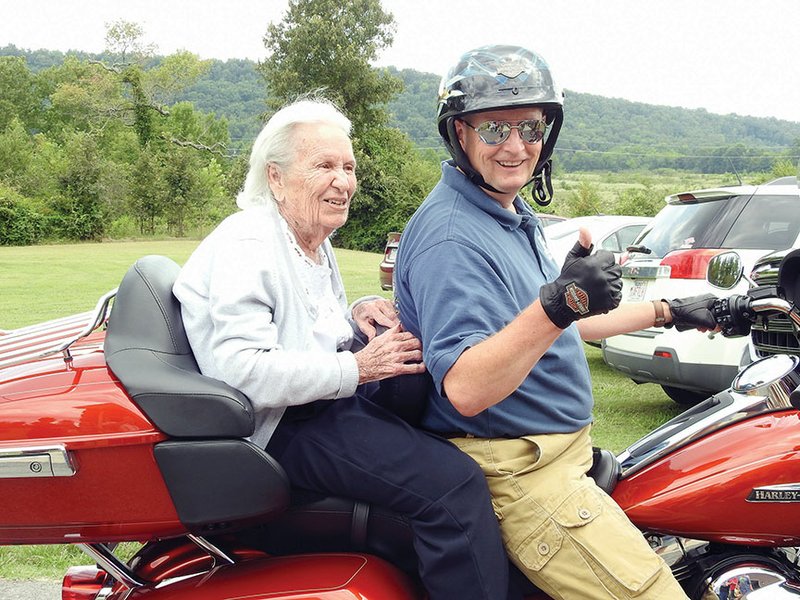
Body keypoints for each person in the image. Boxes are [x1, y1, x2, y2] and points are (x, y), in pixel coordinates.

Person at [394, 45, 719, 599]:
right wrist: (559, 304)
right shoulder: (453, 237)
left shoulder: (506, 215)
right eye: (496, 128)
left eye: (531, 126)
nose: (516, 146)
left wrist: (674, 312)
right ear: (460, 133)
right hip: (526, 473)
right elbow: (467, 387)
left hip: (562, 454)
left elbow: (567, 331)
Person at [173, 96, 513, 600]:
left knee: (417, 373)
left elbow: (303, 318)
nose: (343, 181)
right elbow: (239, 371)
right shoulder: (247, 247)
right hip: (281, 425)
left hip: (316, 403)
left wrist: (356, 311)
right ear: (276, 178)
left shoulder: (308, 236)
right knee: (455, 485)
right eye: (325, 166)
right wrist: (356, 366)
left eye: (348, 167)